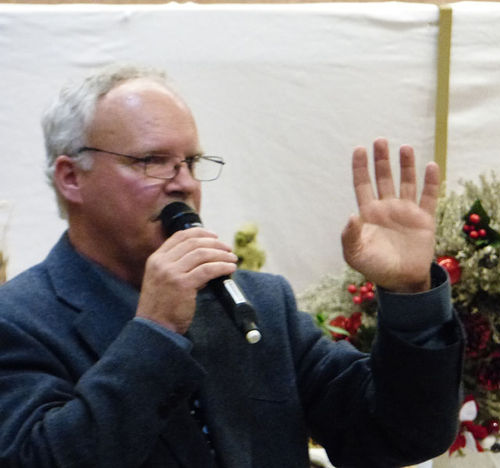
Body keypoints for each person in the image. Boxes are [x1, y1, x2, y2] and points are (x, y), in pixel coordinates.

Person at [0, 65, 463, 468]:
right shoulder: (19, 320)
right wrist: (155, 331)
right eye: (152, 161)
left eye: (192, 162)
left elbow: (396, 435)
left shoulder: (257, 302)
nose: (183, 183)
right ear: (71, 177)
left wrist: (410, 297)